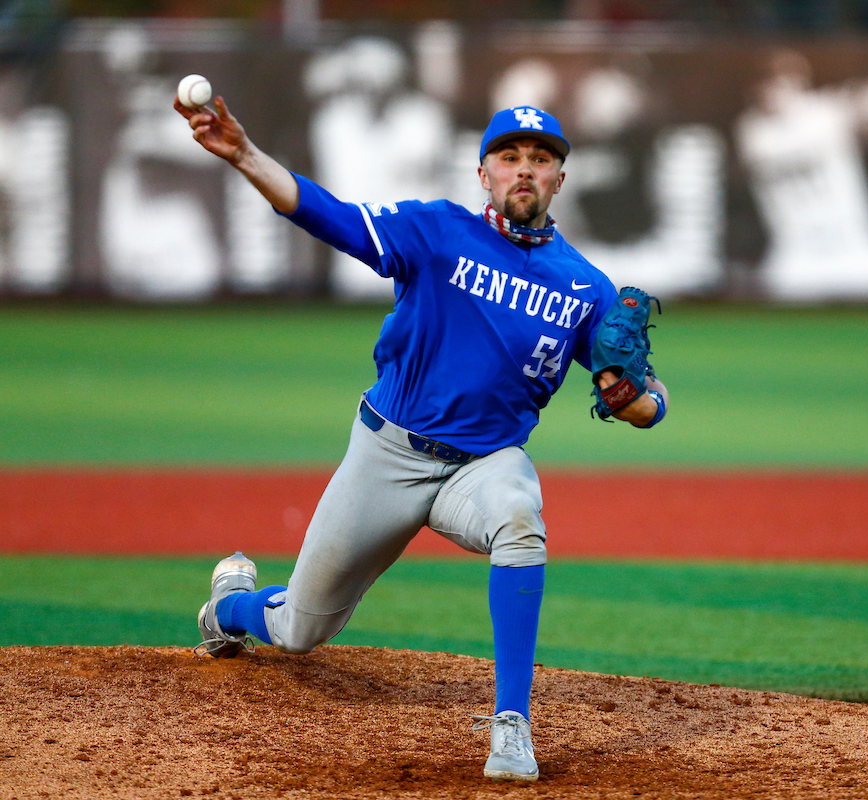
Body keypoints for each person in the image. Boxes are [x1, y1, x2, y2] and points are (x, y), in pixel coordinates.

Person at [174, 95, 669, 782]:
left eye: (541, 158)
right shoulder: (435, 232)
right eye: (510, 156)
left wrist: (631, 398)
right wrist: (245, 154)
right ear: (484, 171)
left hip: (483, 466)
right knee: (300, 630)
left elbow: (648, 404)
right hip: (388, 454)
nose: (524, 169)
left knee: (521, 519)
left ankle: (512, 725)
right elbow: (332, 217)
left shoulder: (585, 288)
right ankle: (228, 607)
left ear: (561, 177)